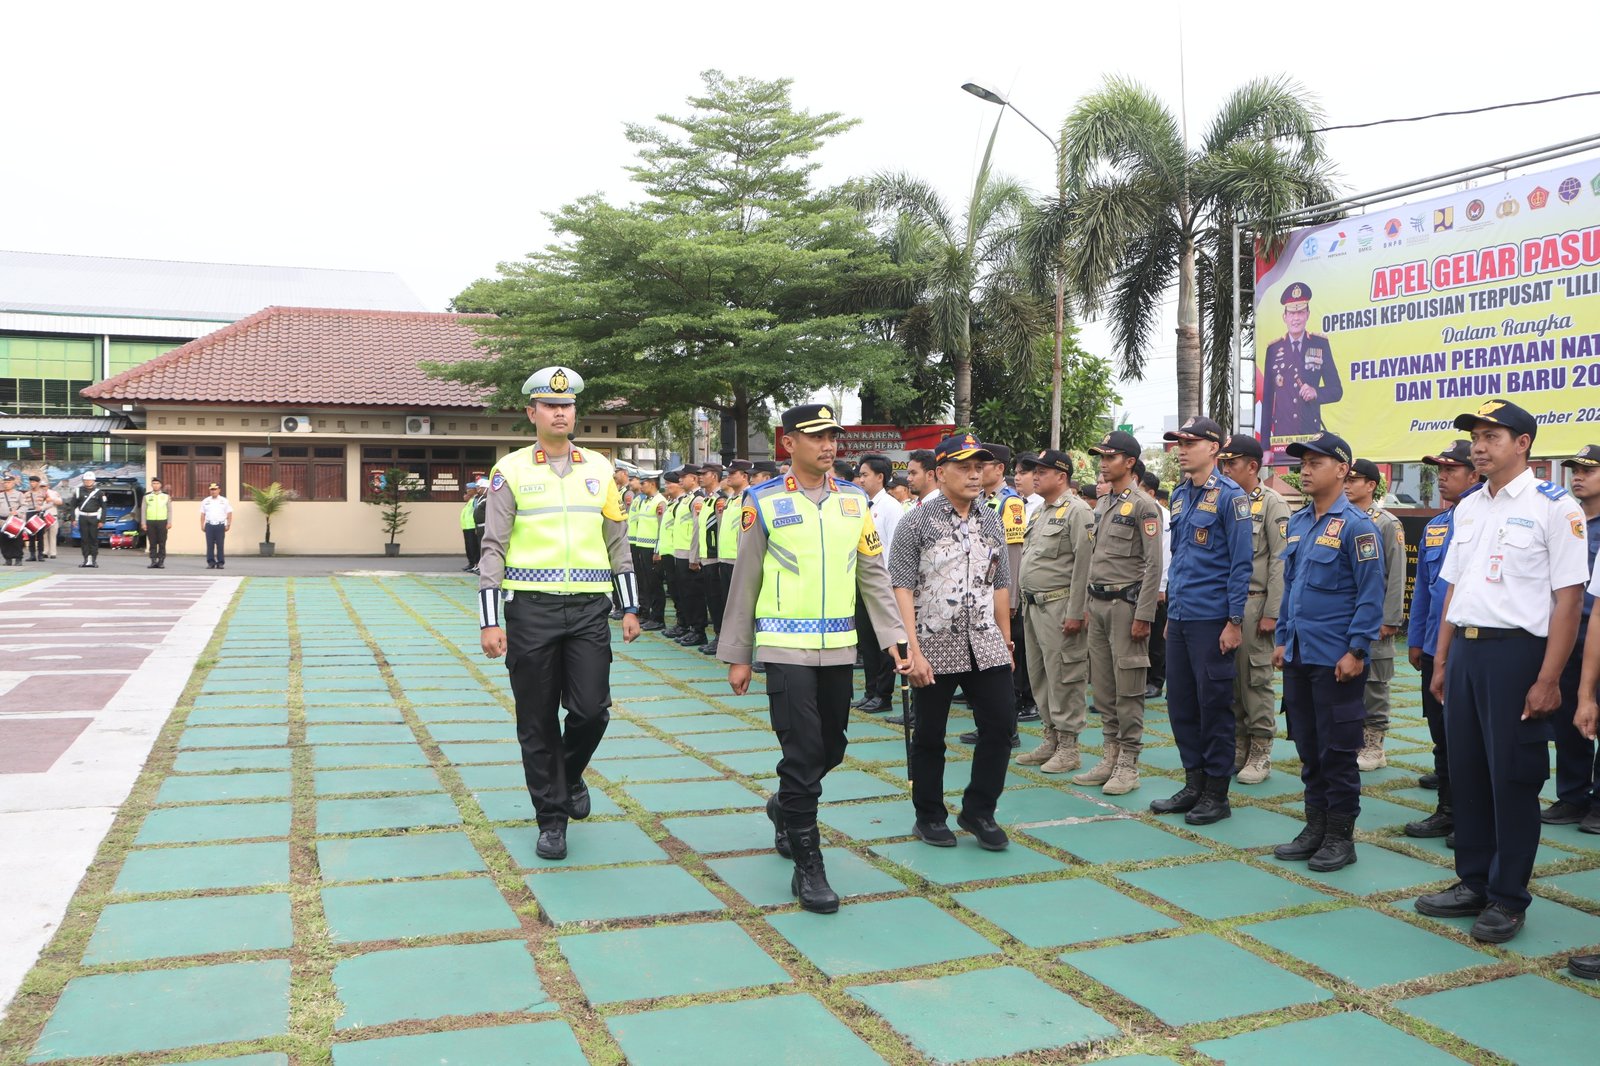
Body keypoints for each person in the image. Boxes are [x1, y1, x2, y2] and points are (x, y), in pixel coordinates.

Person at [718, 404, 906, 913]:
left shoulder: (853, 501)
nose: (828, 446)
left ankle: (785, 804)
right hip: (785, 650)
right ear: (789, 443)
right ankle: (809, 865)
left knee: (832, 747)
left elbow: (872, 573)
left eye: (832, 437)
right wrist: (738, 654)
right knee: (802, 754)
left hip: (839, 649)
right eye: (817, 436)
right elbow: (746, 580)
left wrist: (893, 636)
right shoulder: (762, 501)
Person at [1415, 399, 1589, 944]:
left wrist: (1548, 679)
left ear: (1523, 444)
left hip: (1517, 656)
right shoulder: (1469, 507)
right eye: (1476, 437)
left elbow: (1569, 600)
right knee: (1466, 772)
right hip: (1465, 655)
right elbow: (1453, 589)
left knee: (1512, 777)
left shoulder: (1554, 507)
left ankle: (1508, 897)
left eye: (1492, 436)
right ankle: (1472, 881)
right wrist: (1443, 659)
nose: (1479, 447)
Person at [478, 365, 640, 862]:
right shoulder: (510, 471)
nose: (560, 412)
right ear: (532, 413)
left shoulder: (600, 469)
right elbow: (493, 545)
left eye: (567, 405)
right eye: (550, 405)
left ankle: (568, 776)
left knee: (592, 711)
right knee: (537, 720)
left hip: (590, 609)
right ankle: (551, 819)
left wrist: (630, 605)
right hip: (531, 611)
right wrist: (490, 618)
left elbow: (617, 540)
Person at [892, 433, 1015, 850]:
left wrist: (1006, 641)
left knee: (1001, 726)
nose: (974, 475)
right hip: (932, 642)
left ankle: (979, 810)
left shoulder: (991, 520)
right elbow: (901, 586)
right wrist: (912, 650)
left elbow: (1000, 583)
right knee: (930, 734)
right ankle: (929, 815)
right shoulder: (917, 521)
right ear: (940, 473)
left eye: (979, 467)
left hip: (985, 640)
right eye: (964, 467)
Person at [1271, 432, 1384, 872]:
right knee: (1308, 746)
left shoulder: (1358, 526)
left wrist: (1357, 649)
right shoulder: (1299, 523)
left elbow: (1371, 594)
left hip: (1337, 658)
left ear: (1341, 470)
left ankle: (1340, 836)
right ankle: (1315, 827)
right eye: (1303, 463)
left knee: (1337, 752)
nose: (1305, 470)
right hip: (1300, 654)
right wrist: (1283, 639)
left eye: (1315, 463)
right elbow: (1292, 588)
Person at [1151, 417, 1253, 824]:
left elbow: (1241, 564)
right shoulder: (1179, 495)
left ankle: (1216, 793)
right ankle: (1193, 783)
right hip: (1180, 617)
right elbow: (1179, 557)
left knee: (1214, 707)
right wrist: (1171, 613)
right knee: (1181, 705)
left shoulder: (1231, 497)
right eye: (1178, 443)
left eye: (1190, 443)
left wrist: (1234, 620)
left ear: (1214, 448)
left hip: (1213, 619)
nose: (1181, 450)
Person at [1074, 431, 1163, 795]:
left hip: (1126, 607)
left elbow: (1154, 565)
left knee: (1129, 689)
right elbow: (1094, 559)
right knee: (1103, 689)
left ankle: (1129, 763)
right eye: (1101, 457)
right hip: (1098, 604)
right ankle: (1110, 755)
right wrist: (1085, 605)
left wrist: (1144, 615)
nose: (1103, 463)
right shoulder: (1104, 503)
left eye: (1110, 457)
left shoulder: (1144, 506)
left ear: (1129, 462)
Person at [1404, 440, 1482, 843]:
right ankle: (1448, 810)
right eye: (1440, 471)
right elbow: (1424, 588)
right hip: (1435, 647)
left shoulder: (1484, 519)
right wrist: (1416, 639)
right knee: (1441, 736)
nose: (1442, 478)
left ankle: (1471, 816)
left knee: (1470, 739)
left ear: (1475, 475)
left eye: (1451, 470)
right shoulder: (1436, 526)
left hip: (1471, 646)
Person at [1013, 449, 1093, 774]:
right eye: (1034, 471)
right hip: (1034, 606)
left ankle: (1069, 746)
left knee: (1064, 676)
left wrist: (1077, 611)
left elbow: (1085, 566)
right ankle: (1051, 738)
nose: (1034, 476)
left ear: (1062, 477)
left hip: (1060, 606)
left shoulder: (1078, 511)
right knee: (1040, 676)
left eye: (1042, 472)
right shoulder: (1040, 511)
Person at [1217, 435, 1288, 783]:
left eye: (1232, 463)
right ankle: (1239, 744)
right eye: (1223, 464)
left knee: (1255, 680)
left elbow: (1280, 561)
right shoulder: (1223, 500)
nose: (1226, 470)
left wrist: (1272, 612)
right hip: (1224, 603)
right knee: (1229, 681)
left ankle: (1260, 749)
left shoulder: (1272, 504)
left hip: (1255, 602)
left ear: (1253, 466)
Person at [1543, 444, 1600, 831]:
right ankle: (1572, 796)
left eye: (1588, 471)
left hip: (1597, 630)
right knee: (1567, 719)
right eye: (1574, 471)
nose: (1578, 477)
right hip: (1567, 633)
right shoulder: (1565, 520)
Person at [1343, 458, 1406, 771]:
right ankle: (1354, 740)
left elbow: (1396, 574)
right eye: (1346, 479)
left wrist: (1389, 619)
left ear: (1371, 485)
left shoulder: (1386, 523)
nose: (1347, 485)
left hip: (1376, 616)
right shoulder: (1341, 519)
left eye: (1354, 480)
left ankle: (1374, 745)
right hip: (1346, 615)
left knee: (1375, 683)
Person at [1260, 282, 1343, 462]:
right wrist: (1265, 446)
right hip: (1282, 437)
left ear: (1307, 315)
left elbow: (1337, 390)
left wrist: (1316, 392)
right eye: (1291, 313)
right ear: (1284, 316)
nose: (1296, 318)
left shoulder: (1320, 344)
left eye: (1300, 312)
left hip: (1310, 434)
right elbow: (1267, 400)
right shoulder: (1274, 349)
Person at [846, 454, 902, 714]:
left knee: (884, 643)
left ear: (880, 477)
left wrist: (889, 584)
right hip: (861, 583)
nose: (861, 479)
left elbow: (895, 549)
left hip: (882, 584)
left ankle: (883, 694)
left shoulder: (891, 507)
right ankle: (870, 691)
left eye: (865, 474)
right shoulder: (860, 504)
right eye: (860, 474)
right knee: (867, 642)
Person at [710, 460, 754, 651]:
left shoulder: (749, 497)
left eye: (733, 473)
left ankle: (743, 644)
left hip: (739, 559)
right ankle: (730, 642)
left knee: (742, 605)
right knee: (728, 603)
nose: (728, 476)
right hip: (725, 558)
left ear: (744, 476)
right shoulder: (730, 499)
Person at [689, 462, 726, 653]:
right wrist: (695, 556)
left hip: (715, 557)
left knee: (718, 600)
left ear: (714, 476)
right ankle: (717, 636)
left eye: (704, 474)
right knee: (711, 599)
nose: (700, 477)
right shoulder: (707, 500)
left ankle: (721, 638)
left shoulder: (721, 499)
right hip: (705, 557)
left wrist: (719, 558)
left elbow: (721, 531)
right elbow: (699, 530)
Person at [1141, 470, 1171, 699]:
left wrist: (1160, 586)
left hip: (1157, 583)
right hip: (1138, 583)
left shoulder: (1164, 515)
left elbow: (1164, 552)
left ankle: (1155, 680)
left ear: (1151, 493)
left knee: (1156, 636)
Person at [671, 466, 709, 647]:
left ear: (693, 479)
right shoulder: (685, 499)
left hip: (689, 552)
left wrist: (694, 556)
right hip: (680, 551)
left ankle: (698, 630)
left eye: (683, 477)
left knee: (694, 595)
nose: (680, 480)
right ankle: (689, 627)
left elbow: (696, 529)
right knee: (684, 593)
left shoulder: (697, 499)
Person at [628, 472, 665, 631]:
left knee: (655, 585)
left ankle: (658, 618)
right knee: (646, 583)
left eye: (643, 483)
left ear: (652, 483)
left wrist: (658, 550)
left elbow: (661, 528)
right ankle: (648, 615)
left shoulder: (660, 501)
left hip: (652, 549)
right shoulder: (645, 501)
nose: (641, 486)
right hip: (642, 546)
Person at [656, 472, 684, 636]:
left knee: (680, 591)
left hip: (676, 552)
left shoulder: (681, 503)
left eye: (669, 484)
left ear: (679, 484)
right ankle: (681, 622)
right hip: (667, 552)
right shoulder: (672, 503)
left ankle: (684, 623)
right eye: (665, 484)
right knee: (674, 590)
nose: (667, 486)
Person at [73, 473, 107, 568]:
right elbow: (73, 505)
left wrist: (102, 521)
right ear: (83, 481)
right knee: (84, 540)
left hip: (94, 518)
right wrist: (73, 519)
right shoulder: (78, 491)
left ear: (93, 481)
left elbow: (104, 507)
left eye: (90, 480)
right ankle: (86, 560)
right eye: (86, 480)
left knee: (93, 539)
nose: (88, 482)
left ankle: (93, 560)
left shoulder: (99, 493)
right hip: (82, 518)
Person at [199, 482, 232, 569]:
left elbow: (229, 513)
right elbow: (202, 514)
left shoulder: (224, 501)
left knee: (220, 545)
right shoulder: (205, 501)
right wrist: (202, 525)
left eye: (215, 489)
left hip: (220, 525)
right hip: (209, 525)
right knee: (210, 545)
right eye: (212, 490)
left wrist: (228, 524)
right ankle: (211, 562)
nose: (213, 491)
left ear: (219, 490)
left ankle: (220, 562)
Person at [141, 477, 172, 569]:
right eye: (154, 483)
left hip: (162, 521)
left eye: (157, 483)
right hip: (150, 522)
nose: (155, 485)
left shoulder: (166, 496)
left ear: (161, 485)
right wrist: (143, 523)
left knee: (162, 542)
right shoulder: (147, 496)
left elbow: (169, 510)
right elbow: (143, 510)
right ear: (151, 485)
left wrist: (169, 522)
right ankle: (153, 561)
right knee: (152, 542)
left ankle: (161, 561)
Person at [0, 474, 24, 566]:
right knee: (4, 540)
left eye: (8, 482)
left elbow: (25, 506)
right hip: (2, 520)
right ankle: (8, 559)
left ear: (13, 483)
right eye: (5, 482)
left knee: (16, 541)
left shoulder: (19, 494)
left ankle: (18, 559)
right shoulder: (1, 495)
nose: (6, 484)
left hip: (14, 520)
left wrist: (17, 512)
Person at [460, 483, 484, 572]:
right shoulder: (470, 501)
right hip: (466, 527)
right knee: (469, 547)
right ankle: (471, 563)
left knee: (474, 547)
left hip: (472, 527)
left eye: (469, 489)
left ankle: (476, 564)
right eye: (467, 489)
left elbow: (477, 513)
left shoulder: (476, 500)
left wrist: (476, 526)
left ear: (474, 490)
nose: (467, 491)